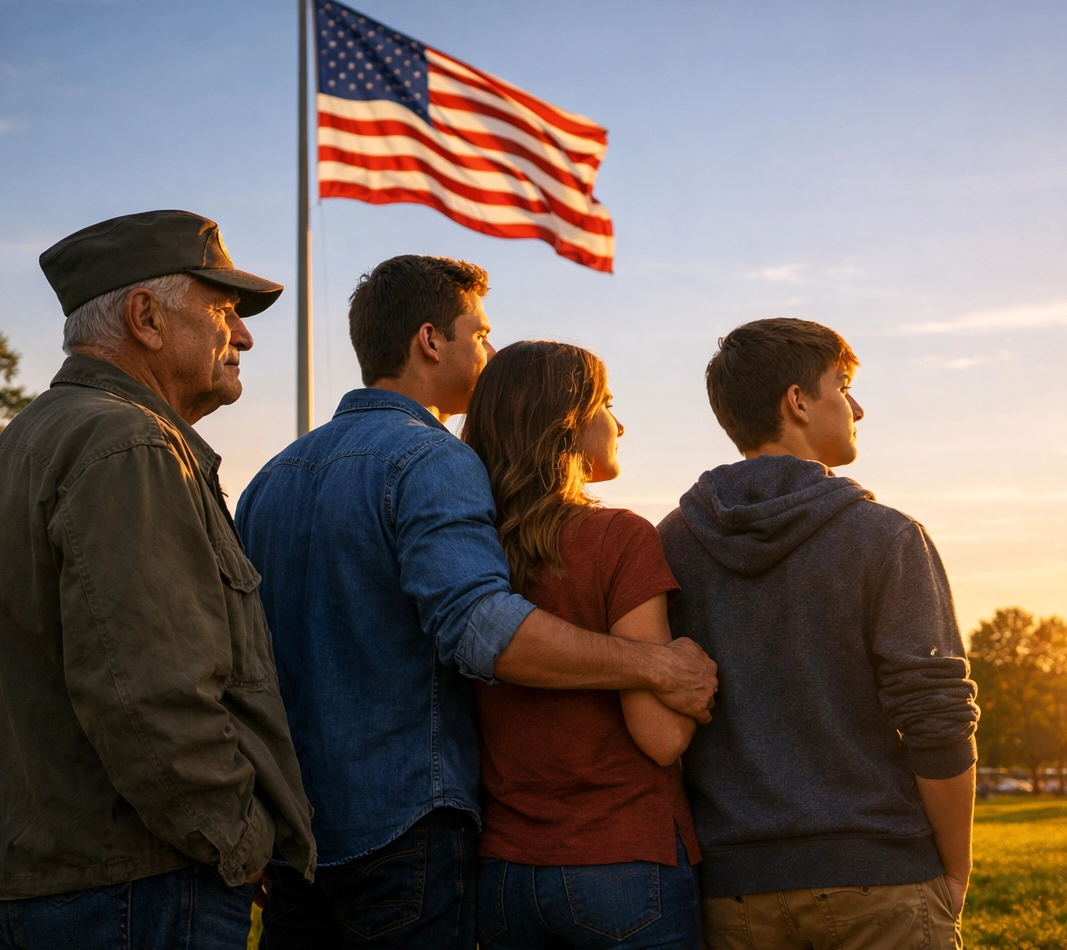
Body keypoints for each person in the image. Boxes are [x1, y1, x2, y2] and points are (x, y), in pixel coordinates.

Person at [235, 256, 717, 949]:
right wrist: (657, 666)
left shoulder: (271, 478)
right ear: (431, 341)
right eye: (481, 334)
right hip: (405, 832)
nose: (490, 354)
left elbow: (247, 661)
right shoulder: (430, 459)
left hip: (297, 839)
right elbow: (481, 628)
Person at [0, 210, 316, 949]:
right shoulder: (128, 442)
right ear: (145, 316)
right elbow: (154, 693)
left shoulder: (25, 440)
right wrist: (239, 846)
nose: (241, 336)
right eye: (223, 311)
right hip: (128, 888)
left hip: (38, 883)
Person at [658, 317, 980, 950]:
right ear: (798, 402)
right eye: (843, 385)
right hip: (880, 883)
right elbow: (937, 717)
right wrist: (956, 869)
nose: (858, 406)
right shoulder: (885, 536)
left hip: (733, 895)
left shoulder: (670, 542)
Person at [462, 341, 703, 950]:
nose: (619, 424)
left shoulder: (469, 555)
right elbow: (661, 737)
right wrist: (691, 668)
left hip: (504, 875)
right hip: (623, 860)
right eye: (607, 405)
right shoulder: (617, 537)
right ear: (568, 424)